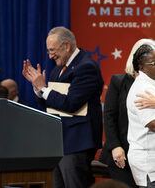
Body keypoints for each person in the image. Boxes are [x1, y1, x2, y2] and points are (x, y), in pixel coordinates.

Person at [22, 26, 103, 188]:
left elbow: (71, 103)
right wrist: (38, 89)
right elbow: (51, 104)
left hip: (77, 141)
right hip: (58, 140)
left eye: (52, 50)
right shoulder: (58, 68)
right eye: (48, 51)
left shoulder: (86, 67)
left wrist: (44, 88)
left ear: (66, 46)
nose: (50, 55)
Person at [100, 39, 155, 188]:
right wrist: (115, 146)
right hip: (132, 152)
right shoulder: (134, 85)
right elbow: (110, 116)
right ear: (140, 63)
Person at [127, 44, 155, 187]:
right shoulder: (144, 90)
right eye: (154, 63)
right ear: (141, 67)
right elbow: (153, 124)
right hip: (150, 164)